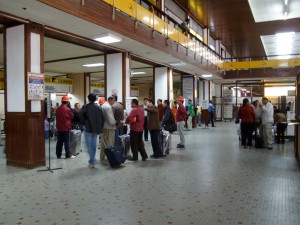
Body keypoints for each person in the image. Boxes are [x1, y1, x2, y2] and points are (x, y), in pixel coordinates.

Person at [80, 93, 105, 168]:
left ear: (88, 99)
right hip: (96, 129)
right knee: (94, 145)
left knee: (88, 145)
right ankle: (92, 160)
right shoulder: (98, 107)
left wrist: (83, 123)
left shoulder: (85, 107)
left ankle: (92, 160)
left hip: (88, 128)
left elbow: (80, 116)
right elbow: (103, 118)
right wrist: (100, 127)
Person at [99, 96, 116, 161]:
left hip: (104, 126)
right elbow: (110, 119)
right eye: (113, 101)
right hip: (109, 127)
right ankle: (110, 157)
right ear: (110, 100)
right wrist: (116, 122)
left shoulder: (103, 106)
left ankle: (102, 157)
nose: (114, 102)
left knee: (104, 143)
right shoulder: (108, 107)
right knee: (110, 143)